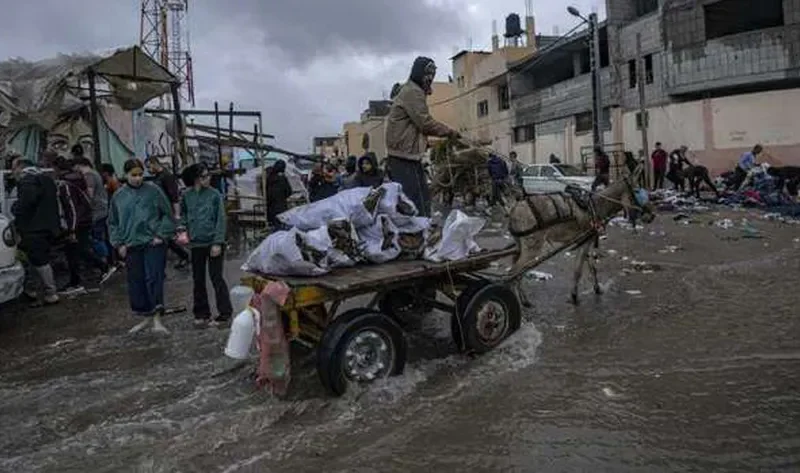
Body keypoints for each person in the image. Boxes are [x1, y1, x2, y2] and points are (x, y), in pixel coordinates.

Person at [385, 56, 459, 217]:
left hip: (406, 156)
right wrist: (449, 131)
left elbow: (415, 131)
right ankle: (420, 235)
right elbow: (425, 124)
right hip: (404, 157)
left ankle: (420, 232)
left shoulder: (412, 91)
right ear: (419, 73)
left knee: (420, 198)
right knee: (417, 202)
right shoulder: (413, 92)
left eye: (432, 75)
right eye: (428, 74)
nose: (430, 78)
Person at [108, 158, 175, 334]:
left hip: (153, 243)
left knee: (154, 278)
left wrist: (161, 235)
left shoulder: (153, 191)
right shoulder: (119, 196)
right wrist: (119, 243)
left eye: (140, 174)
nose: (138, 178)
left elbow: (167, 214)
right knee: (136, 281)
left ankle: (157, 319)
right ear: (125, 175)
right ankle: (146, 316)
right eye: (133, 175)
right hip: (131, 244)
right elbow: (113, 222)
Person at [179, 164, 233, 328]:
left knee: (216, 278)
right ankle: (201, 313)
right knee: (198, 279)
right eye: (203, 176)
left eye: (208, 175)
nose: (207, 178)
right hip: (196, 243)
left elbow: (220, 220)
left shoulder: (215, 195)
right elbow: (183, 215)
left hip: (213, 243)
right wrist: (182, 230)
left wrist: (217, 242)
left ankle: (224, 313)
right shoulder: (186, 196)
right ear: (195, 178)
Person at [54, 156, 110, 293]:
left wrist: (71, 229)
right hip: (85, 218)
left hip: (77, 222)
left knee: (78, 249)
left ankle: (99, 268)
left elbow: (72, 207)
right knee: (79, 249)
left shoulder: (66, 184)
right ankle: (98, 268)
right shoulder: (78, 179)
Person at [11, 157, 60, 307]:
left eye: (14, 168)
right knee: (37, 260)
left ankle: (50, 293)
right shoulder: (47, 180)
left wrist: (15, 208)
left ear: (21, 167)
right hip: (49, 227)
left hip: (34, 228)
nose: (13, 172)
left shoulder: (27, 181)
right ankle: (34, 290)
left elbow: (26, 203)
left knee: (39, 260)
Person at [146, 157, 190, 268]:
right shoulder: (158, 177)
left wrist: (176, 214)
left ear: (155, 163)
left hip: (167, 211)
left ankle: (184, 256)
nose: (148, 170)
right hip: (160, 212)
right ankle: (182, 256)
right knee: (166, 238)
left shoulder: (167, 176)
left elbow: (174, 196)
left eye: (149, 167)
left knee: (166, 238)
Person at [72, 150, 111, 264]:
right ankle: (107, 260)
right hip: (102, 208)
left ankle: (104, 262)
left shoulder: (89, 175)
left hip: (97, 211)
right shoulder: (95, 173)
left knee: (96, 237)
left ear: (79, 165)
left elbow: (90, 194)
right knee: (99, 236)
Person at [265, 159, 293, 227]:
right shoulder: (282, 178)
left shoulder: (269, 178)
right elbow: (289, 191)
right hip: (281, 206)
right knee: (281, 227)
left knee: (274, 226)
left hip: (271, 207)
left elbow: (265, 192)